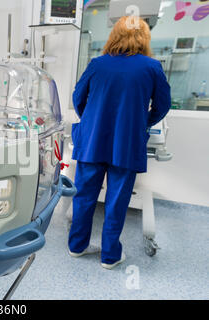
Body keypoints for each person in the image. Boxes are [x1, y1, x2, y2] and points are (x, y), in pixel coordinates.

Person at [68, 16, 171, 269]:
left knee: (84, 196)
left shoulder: (97, 64)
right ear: (144, 38)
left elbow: (78, 97)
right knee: (117, 200)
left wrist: (92, 120)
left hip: (92, 142)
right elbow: (163, 105)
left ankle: (77, 246)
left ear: (114, 35)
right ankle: (110, 256)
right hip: (126, 143)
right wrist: (143, 121)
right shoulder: (151, 67)